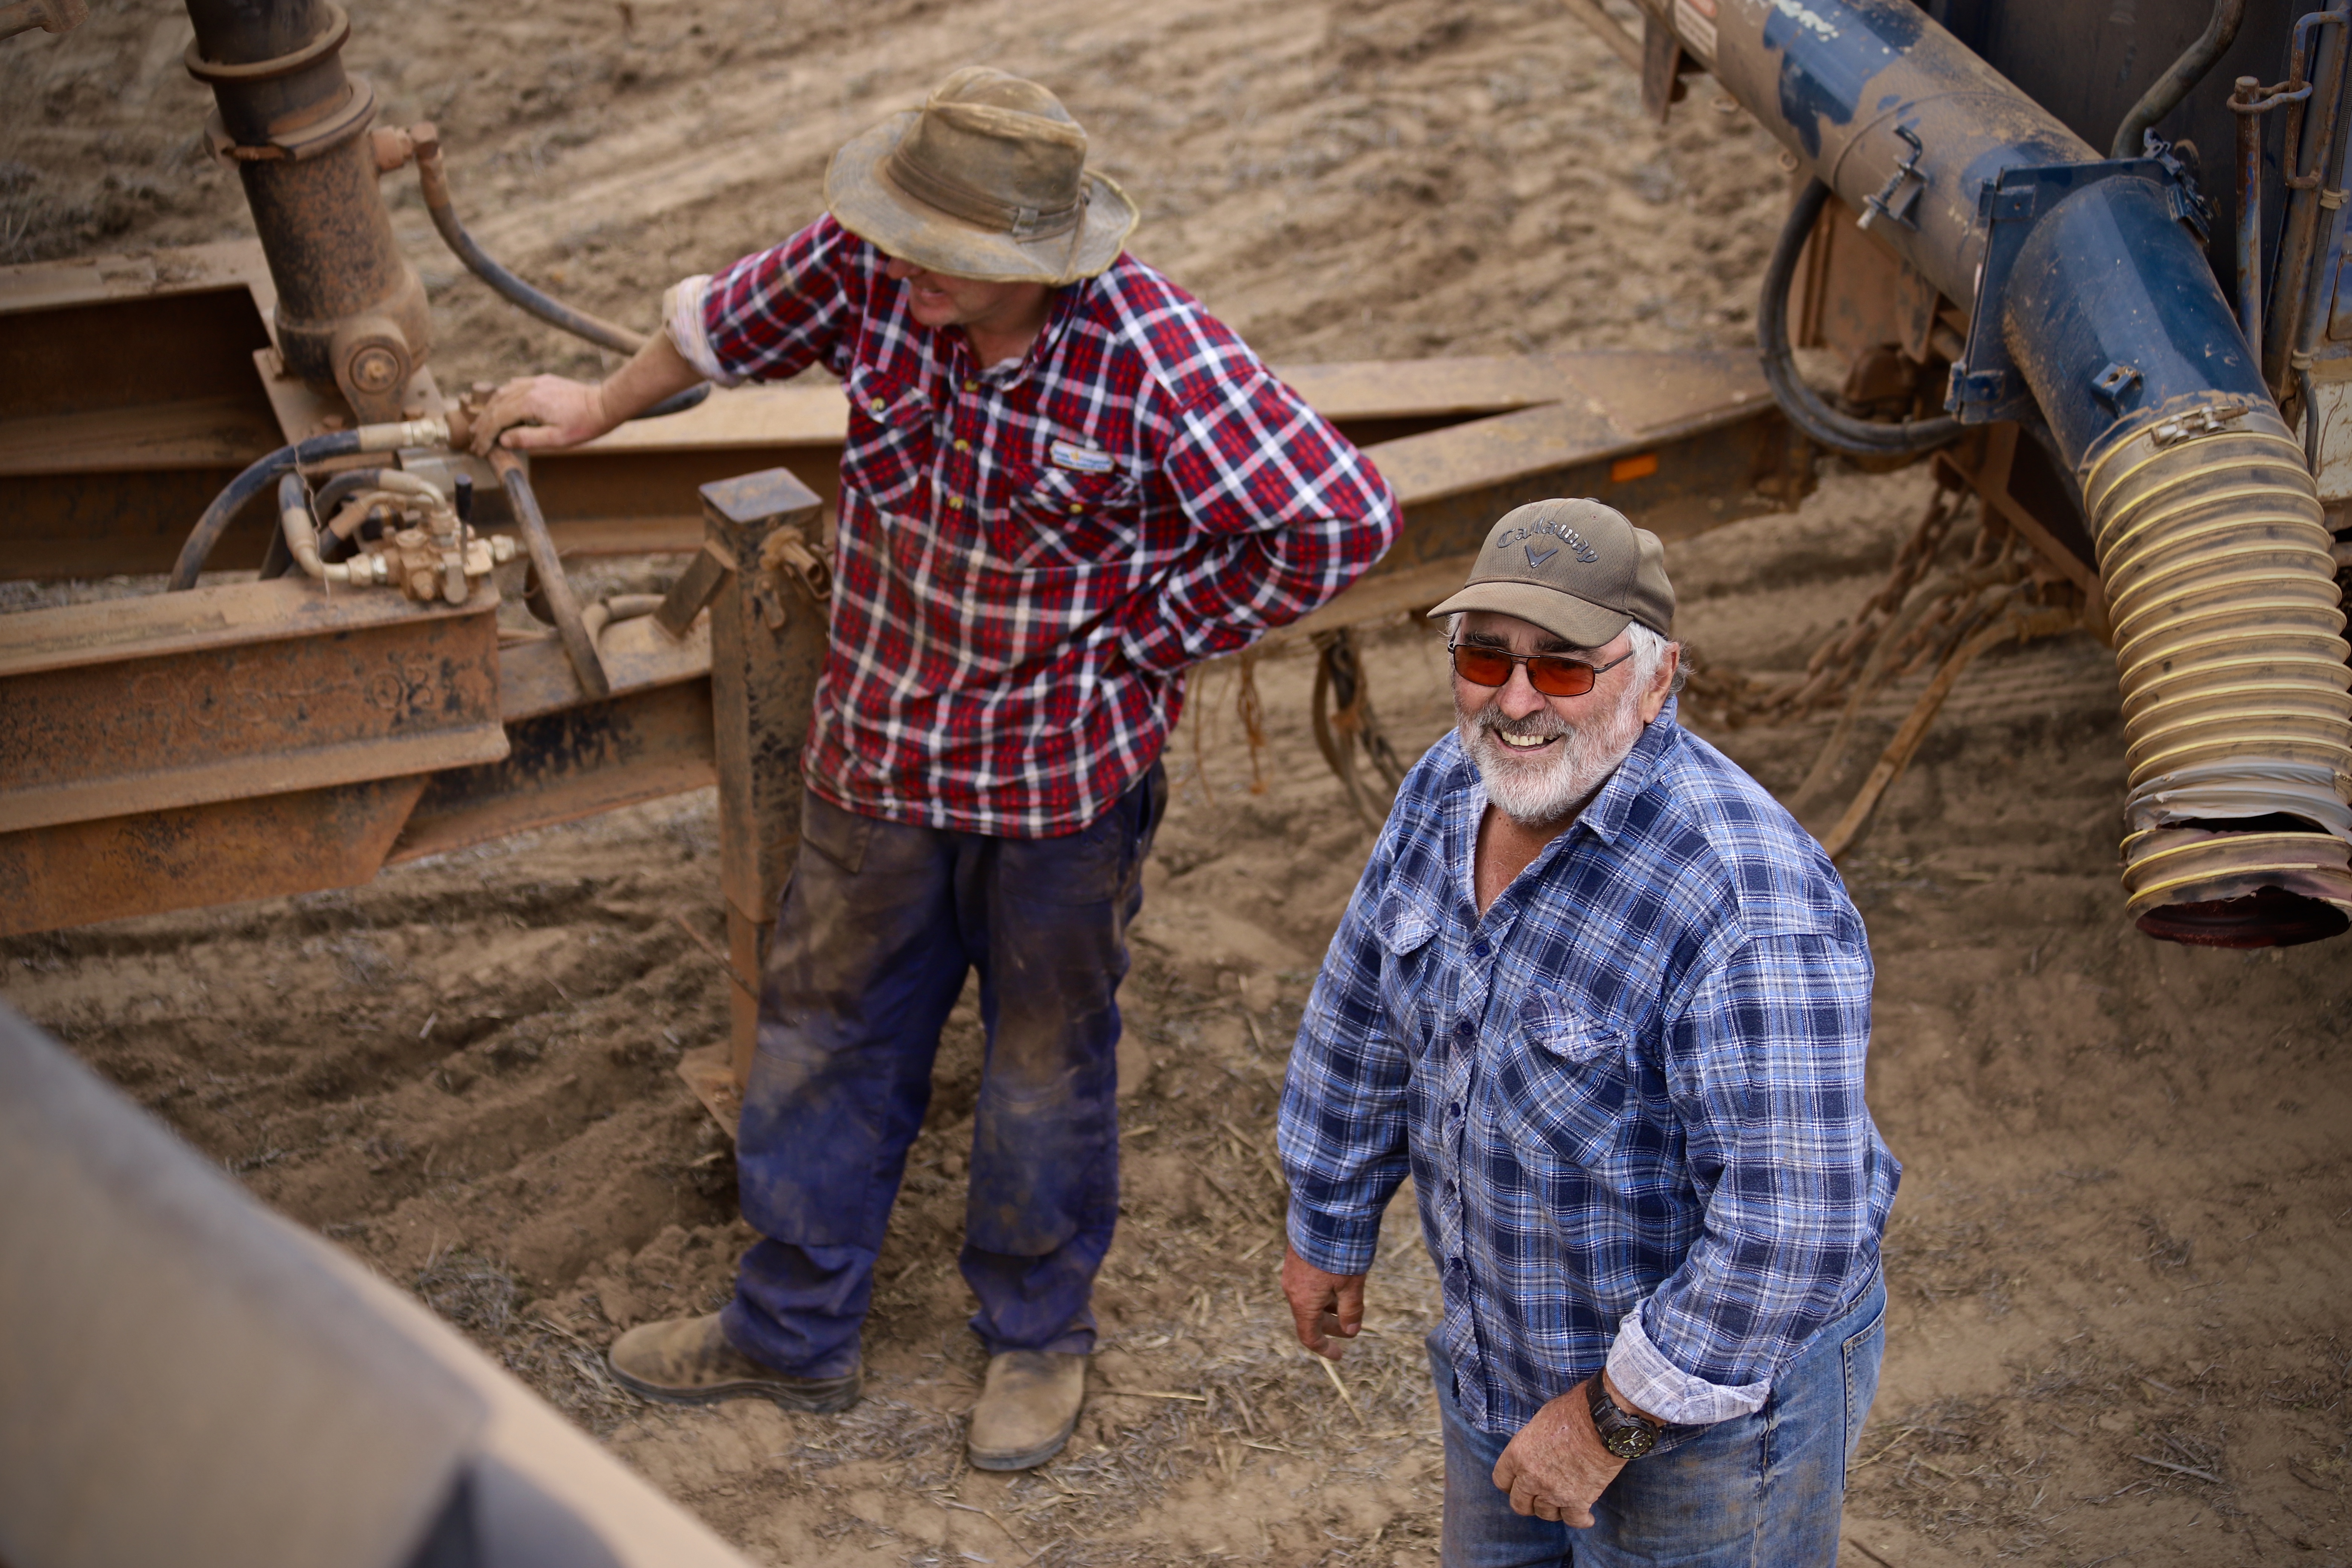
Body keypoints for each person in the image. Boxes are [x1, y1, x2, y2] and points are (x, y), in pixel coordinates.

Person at [475, 68, 1399, 1470]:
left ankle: (1035, 1340)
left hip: (1059, 790)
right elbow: (720, 323)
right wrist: (599, 406)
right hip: (882, 752)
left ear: (1026, 263)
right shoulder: (870, 268)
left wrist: (1142, 637)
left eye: (943, 262)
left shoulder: (1150, 353)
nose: (904, 272)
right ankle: (791, 1332)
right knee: (824, 1040)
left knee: (1043, 1070)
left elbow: (1339, 519)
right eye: (901, 242)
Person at [1276, 498, 1896, 1565]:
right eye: (1486, 656)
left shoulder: (1744, 901)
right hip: (1499, 1369)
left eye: (1566, 667)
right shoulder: (1443, 788)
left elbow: (1792, 1225)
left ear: (1657, 680)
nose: (1515, 702)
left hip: (1701, 1425)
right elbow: (1363, 1010)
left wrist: (1607, 1419)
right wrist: (1326, 1220)